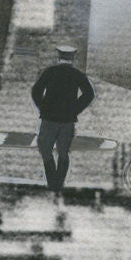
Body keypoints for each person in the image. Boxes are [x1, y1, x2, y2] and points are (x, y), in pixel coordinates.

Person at [30, 44, 95, 192]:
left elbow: (36, 91)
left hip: (49, 119)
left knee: (45, 149)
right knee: (63, 152)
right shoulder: (77, 74)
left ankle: (52, 183)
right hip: (67, 121)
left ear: (58, 56)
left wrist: (43, 108)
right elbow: (89, 94)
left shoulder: (50, 72)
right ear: (72, 57)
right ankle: (59, 184)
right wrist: (74, 110)